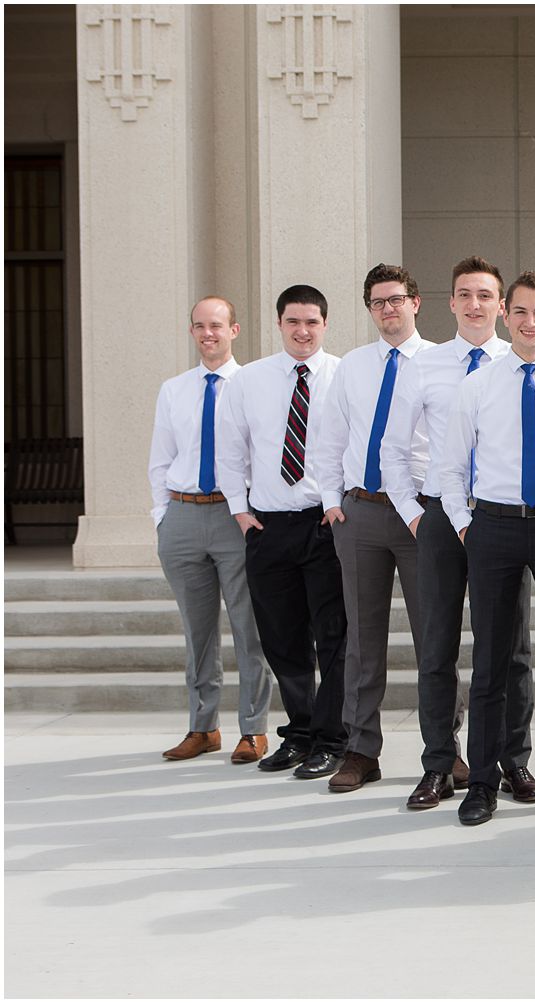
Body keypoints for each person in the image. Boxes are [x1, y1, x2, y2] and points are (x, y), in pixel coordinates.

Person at [381, 256, 534, 810]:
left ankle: (511, 761)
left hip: (501, 517)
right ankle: (440, 763)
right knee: (438, 644)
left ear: (501, 305)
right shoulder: (424, 366)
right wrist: (415, 514)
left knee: (509, 647)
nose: (475, 304)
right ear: (450, 302)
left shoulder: (522, 360)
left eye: (486, 296)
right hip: (441, 517)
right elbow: (393, 449)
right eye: (465, 294)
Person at [440, 270, 535, 825]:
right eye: (520, 312)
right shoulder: (477, 386)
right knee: (492, 663)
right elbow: (450, 468)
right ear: (507, 315)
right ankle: (482, 782)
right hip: (494, 530)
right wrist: (465, 526)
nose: (530, 323)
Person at [308, 264, 433, 793]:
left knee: (436, 637)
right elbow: (328, 436)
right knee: (362, 639)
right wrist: (331, 501)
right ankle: (361, 750)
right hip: (359, 513)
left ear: (416, 303)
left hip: (423, 516)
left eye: (396, 299)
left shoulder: (441, 363)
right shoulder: (353, 367)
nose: (388, 309)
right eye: (378, 302)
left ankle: (443, 752)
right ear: (369, 309)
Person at [216, 284, 347, 777]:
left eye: (312, 321)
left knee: (334, 636)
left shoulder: (341, 375)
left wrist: (338, 506)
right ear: (279, 324)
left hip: (325, 523)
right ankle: (301, 732)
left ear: (325, 324)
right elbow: (230, 450)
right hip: (269, 527)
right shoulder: (249, 380)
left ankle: (332, 739)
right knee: (282, 638)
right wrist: (240, 512)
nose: (303, 330)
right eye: (293, 321)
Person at [148, 296, 272, 764]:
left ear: (234, 330)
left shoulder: (253, 384)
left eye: (217, 325)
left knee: (248, 626)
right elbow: (160, 459)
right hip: (182, 517)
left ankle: (253, 729)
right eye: (199, 326)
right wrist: (162, 518)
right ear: (192, 332)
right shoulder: (174, 389)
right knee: (197, 631)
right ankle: (202, 727)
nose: (208, 334)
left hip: (234, 515)